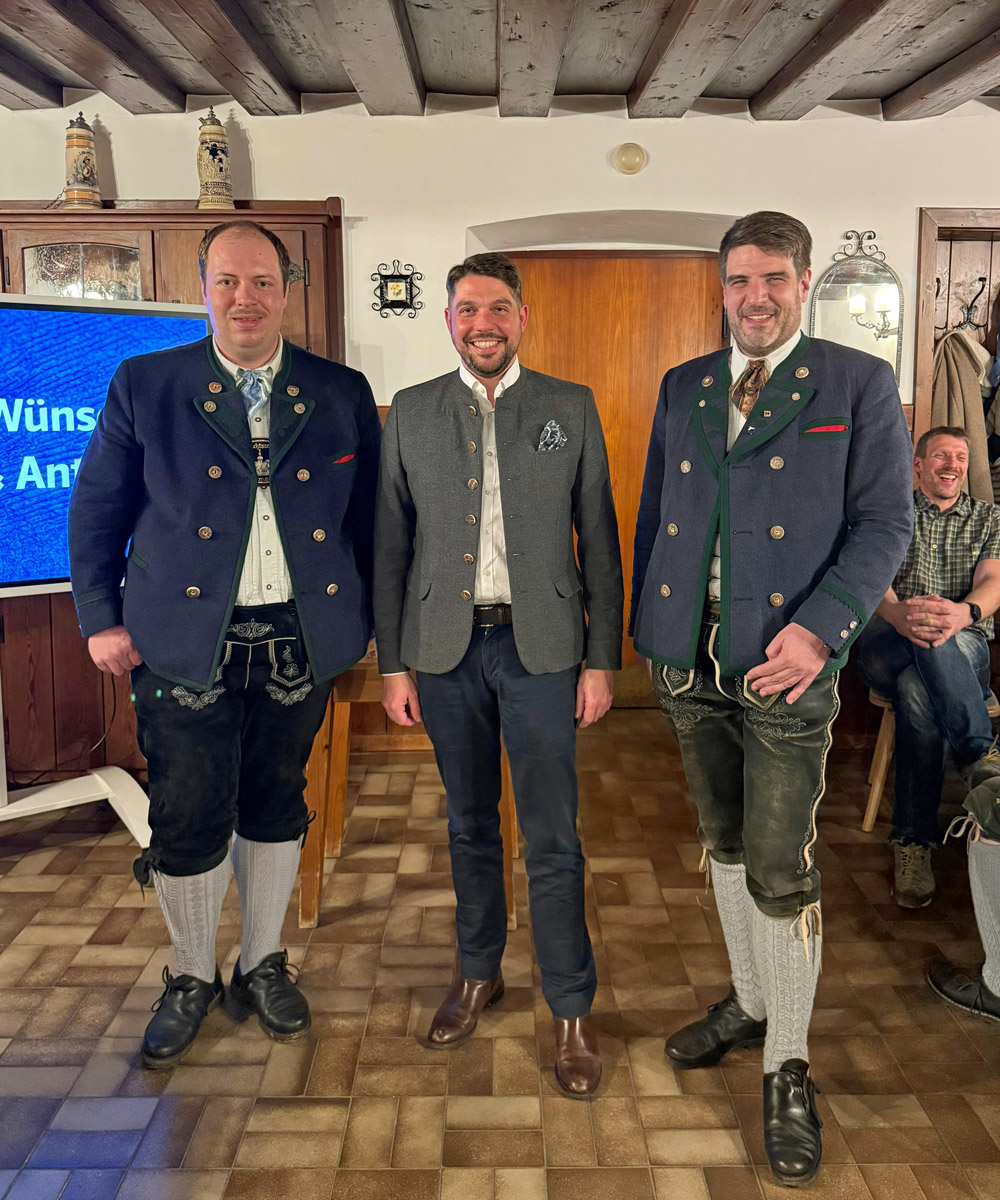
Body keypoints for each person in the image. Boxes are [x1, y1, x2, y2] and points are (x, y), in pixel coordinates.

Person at [630, 211, 913, 1185]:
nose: (754, 298)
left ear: (803, 283)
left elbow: (886, 522)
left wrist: (822, 629)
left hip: (787, 662)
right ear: (722, 288)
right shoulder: (685, 384)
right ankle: (750, 1004)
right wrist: (651, 632)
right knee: (723, 842)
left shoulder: (857, 381)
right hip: (689, 657)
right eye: (739, 280)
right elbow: (657, 513)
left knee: (782, 866)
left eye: (773, 280)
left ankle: (788, 1062)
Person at [68, 220, 381, 1068]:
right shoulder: (146, 382)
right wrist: (99, 616)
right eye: (229, 282)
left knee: (277, 801)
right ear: (204, 290)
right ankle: (190, 974)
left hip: (299, 637)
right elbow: (96, 506)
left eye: (263, 282)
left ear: (287, 289)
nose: (246, 298)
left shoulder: (339, 389)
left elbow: (371, 523)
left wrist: (372, 625)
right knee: (187, 811)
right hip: (179, 638)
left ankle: (262, 961)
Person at [373, 252, 623, 1099]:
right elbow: (391, 547)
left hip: (543, 649)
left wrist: (602, 660)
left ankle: (571, 1008)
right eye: (468, 309)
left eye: (499, 309)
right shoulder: (410, 411)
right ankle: (478, 971)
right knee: (469, 825)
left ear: (522, 318)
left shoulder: (568, 406)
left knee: (554, 837)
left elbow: (600, 540)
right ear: (449, 320)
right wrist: (394, 663)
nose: (483, 324)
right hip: (443, 651)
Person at [854, 427, 1000, 908]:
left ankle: (914, 843)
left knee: (918, 689)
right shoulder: (889, 513)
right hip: (887, 640)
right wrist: (898, 614)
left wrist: (962, 613)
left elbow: (993, 582)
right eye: (941, 456)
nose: (952, 465)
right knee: (923, 653)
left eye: (960, 457)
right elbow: (869, 578)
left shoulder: (988, 517)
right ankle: (981, 759)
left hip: (965, 641)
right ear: (918, 465)